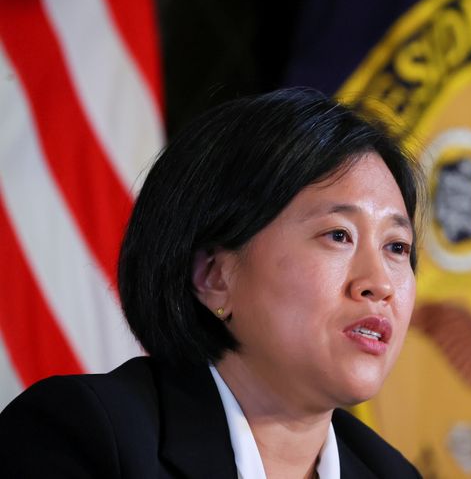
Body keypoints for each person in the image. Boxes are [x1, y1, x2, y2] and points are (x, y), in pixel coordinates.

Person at [0, 87, 424, 478]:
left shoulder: (391, 473)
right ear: (213, 277)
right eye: (338, 235)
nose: (379, 284)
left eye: (397, 247)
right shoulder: (89, 438)